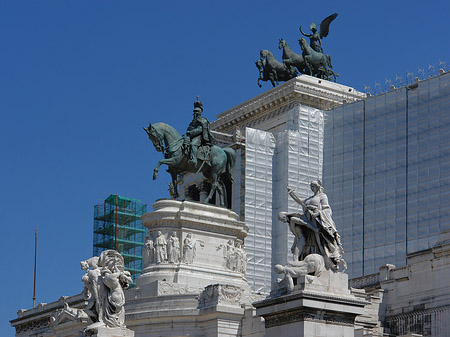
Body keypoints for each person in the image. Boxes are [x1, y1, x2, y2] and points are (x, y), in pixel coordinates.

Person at [279, 180, 346, 271]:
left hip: (317, 222)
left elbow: (327, 209)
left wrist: (318, 213)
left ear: (318, 187)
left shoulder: (322, 196)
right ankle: (302, 262)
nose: (312, 188)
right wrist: (291, 193)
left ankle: (329, 262)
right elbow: (299, 201)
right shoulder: (309, 199)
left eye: (313, 186)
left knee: (321, 242)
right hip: (308, 222)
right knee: (307, 241)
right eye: (311, 186)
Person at [185, 97, 215, 166]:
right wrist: (188, 132)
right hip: (191, 136)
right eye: (194, 112)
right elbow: (189, 128)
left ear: (199, 113)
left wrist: (191, 132)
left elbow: (200, 129)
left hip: (199, 137)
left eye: (196, 112)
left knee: (193, 144)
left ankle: (194, 159)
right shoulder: (193, 121)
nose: (195, 114)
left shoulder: (203, 120)